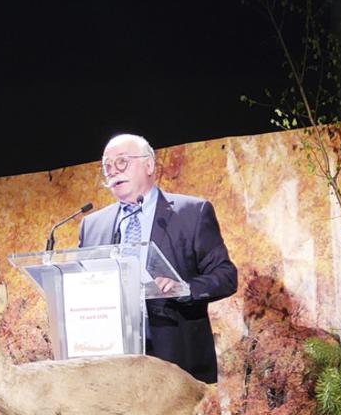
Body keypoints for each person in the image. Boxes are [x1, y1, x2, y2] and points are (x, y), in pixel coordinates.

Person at [78, 133, 237, 384]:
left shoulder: (191, 213)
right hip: (111, 358)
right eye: (106, 166)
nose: (112, 171)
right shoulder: (92, 225)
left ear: (149, 165)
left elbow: (225, 276)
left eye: (121, 162)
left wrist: (183, 288)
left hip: (173, 355)